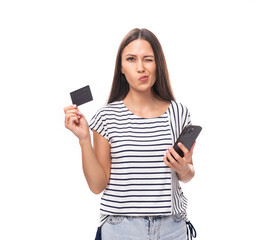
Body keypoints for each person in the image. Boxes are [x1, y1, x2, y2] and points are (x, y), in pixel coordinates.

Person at [64, 28, 197, 240]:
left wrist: (184, 168)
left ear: (158, 65)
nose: (141, 68)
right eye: (131, 59)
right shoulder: (106, 117)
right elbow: (97, 186)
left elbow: (188, 175)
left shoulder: (178, 113)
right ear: (122, 68)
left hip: (173, 228)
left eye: (148, 59)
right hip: (121, 229)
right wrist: (83, 140)